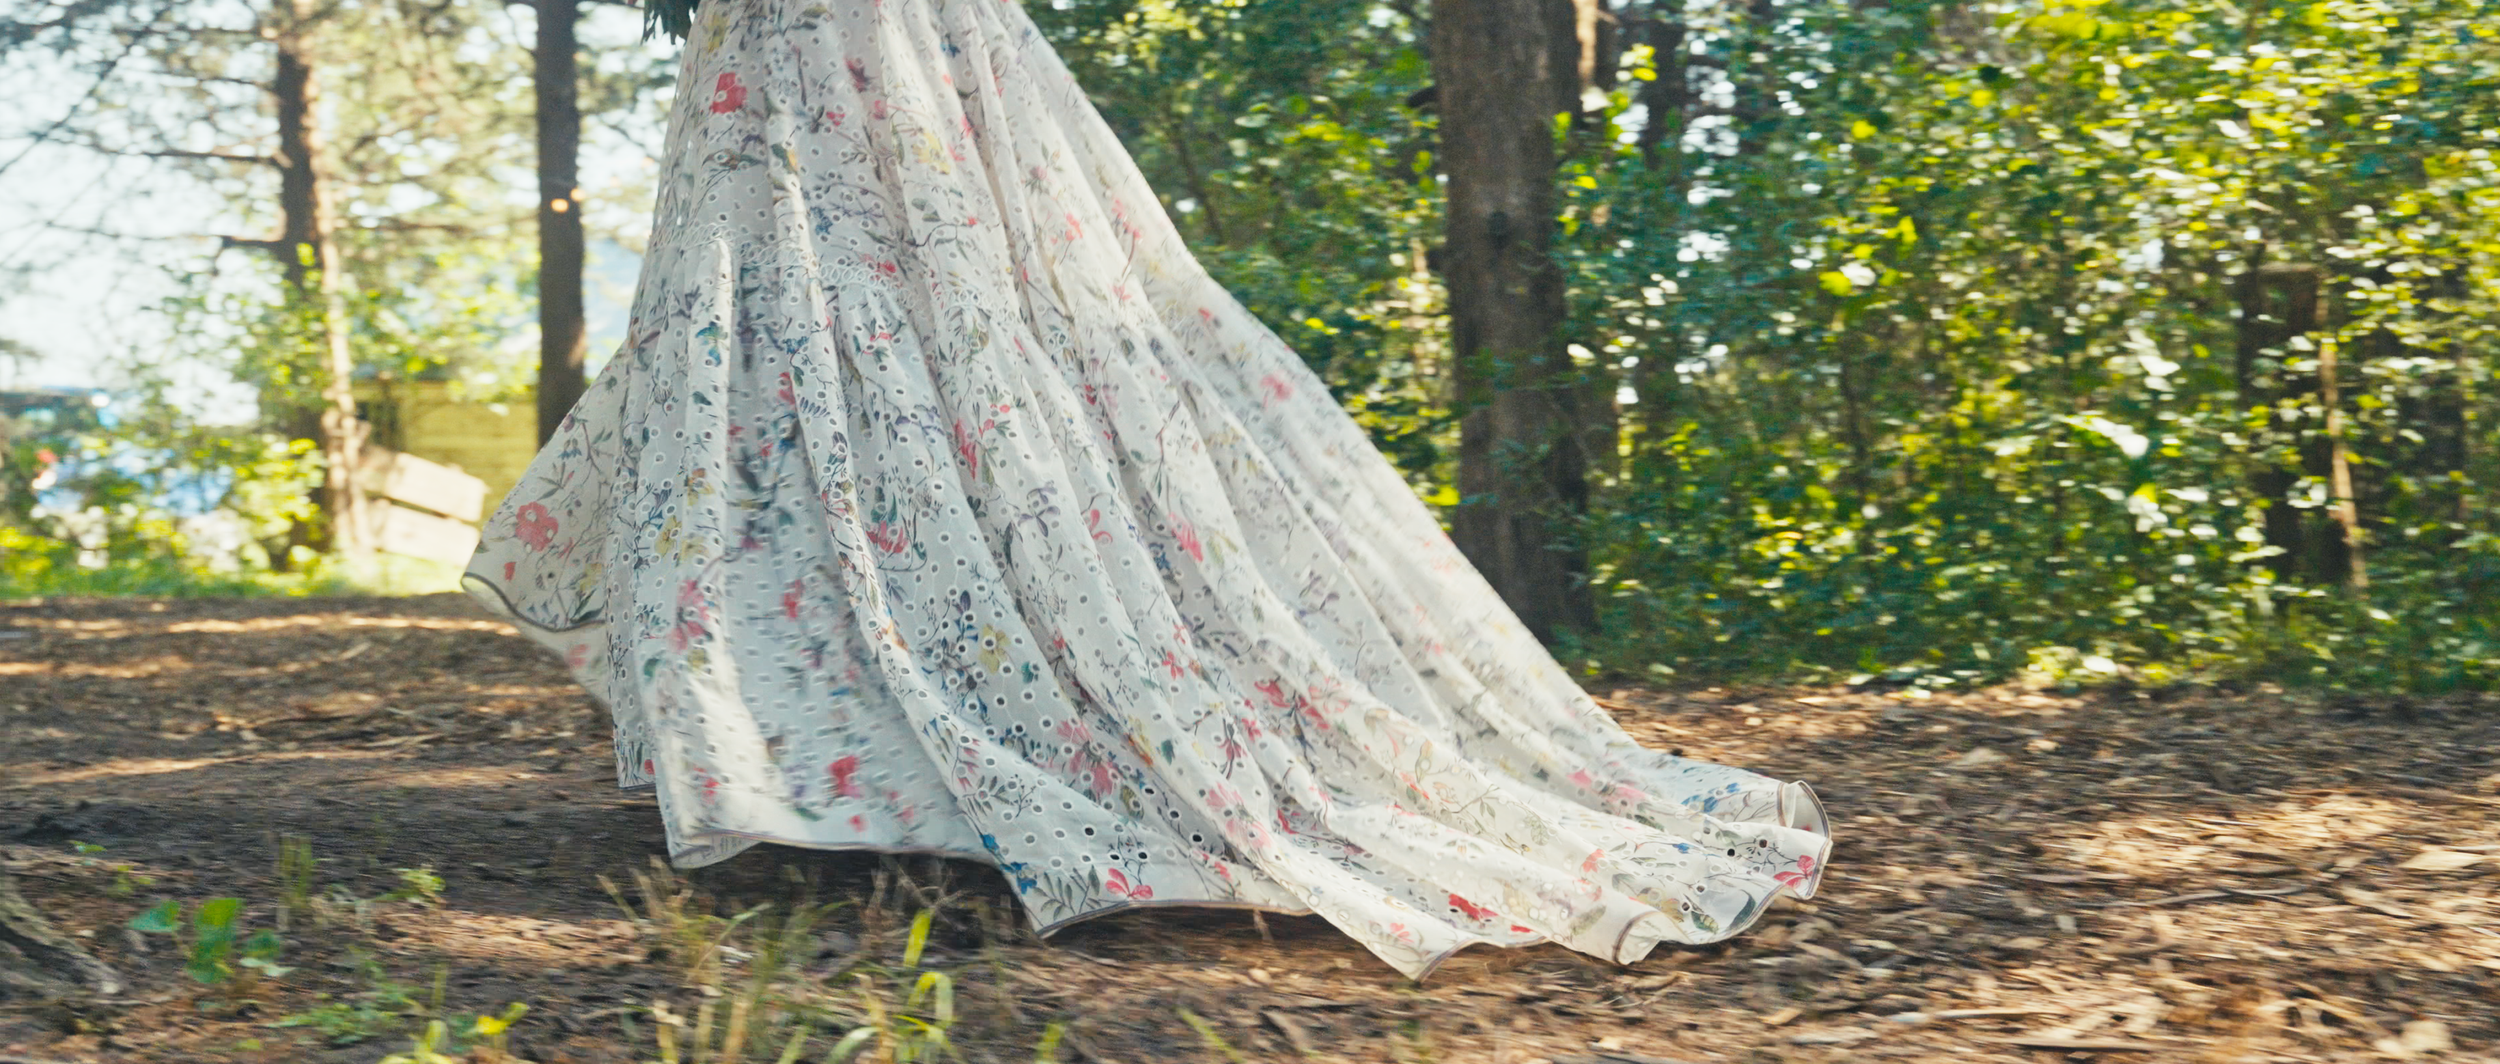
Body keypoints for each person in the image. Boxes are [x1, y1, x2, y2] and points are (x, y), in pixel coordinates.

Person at [464, 0, 1829, 979]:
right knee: (776, 352)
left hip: (875, 46)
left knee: (916, 334)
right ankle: (798, 760)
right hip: (766, 54)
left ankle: (885, 763)